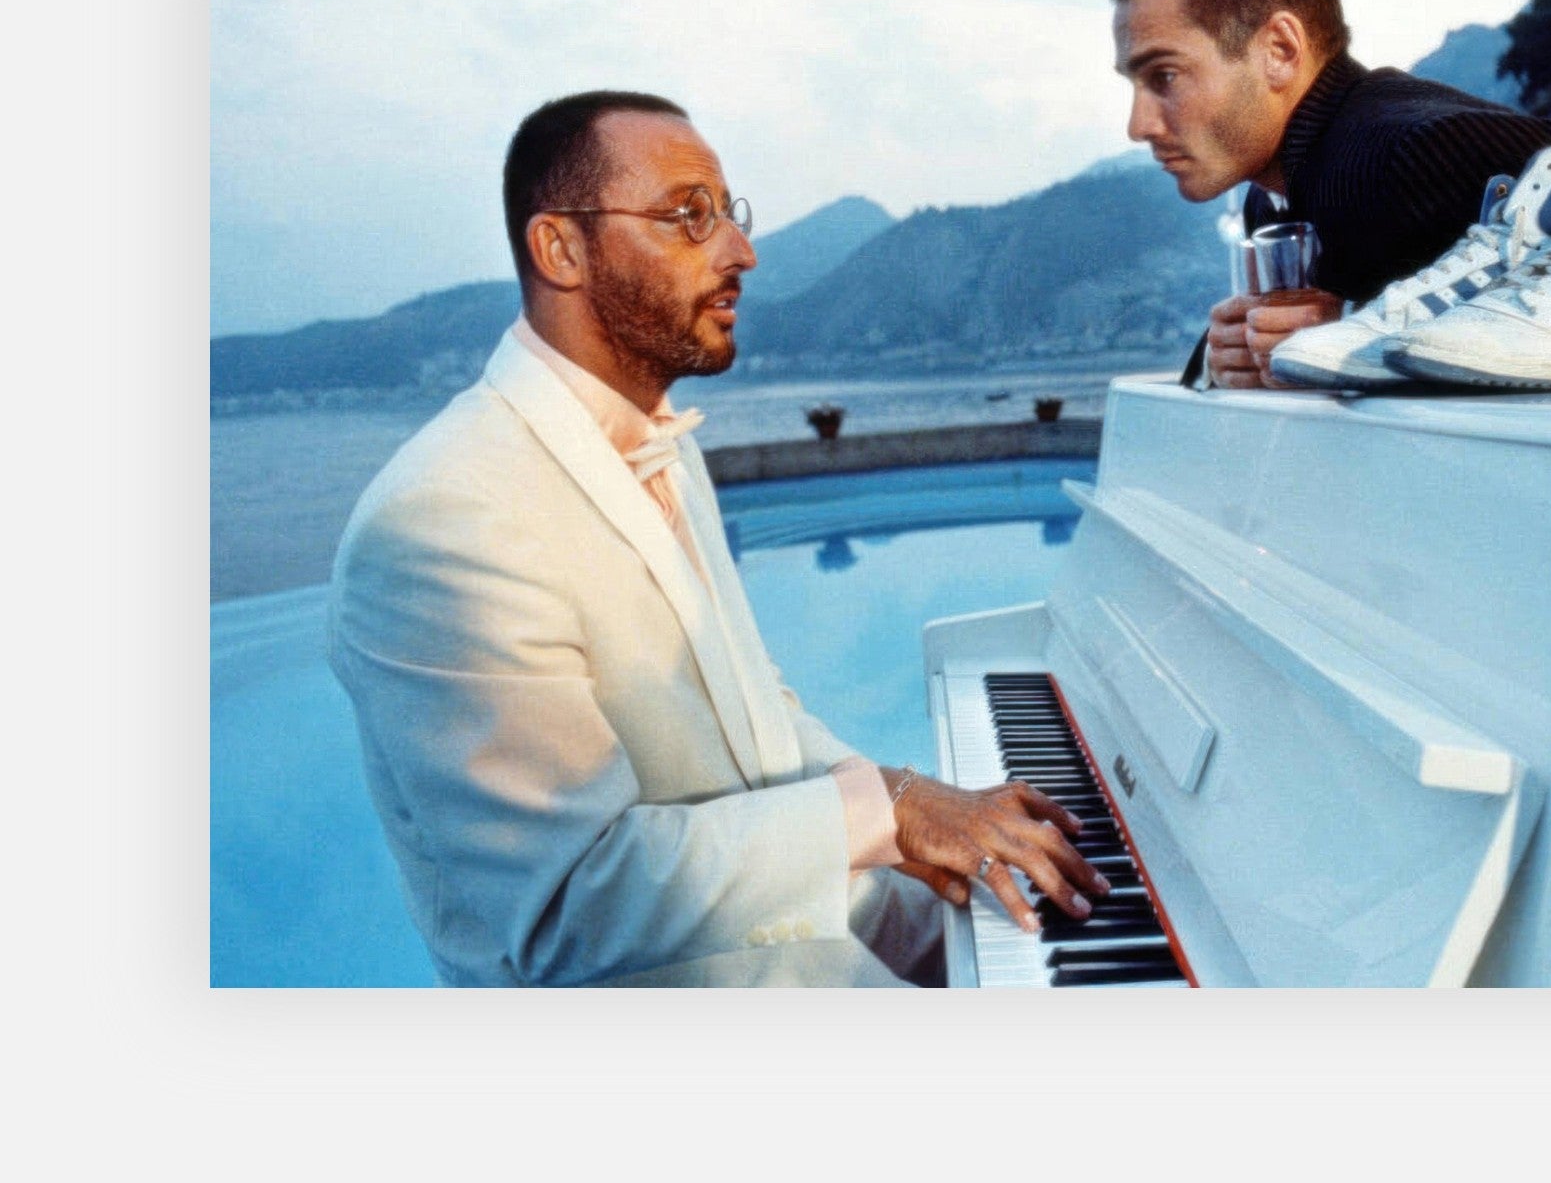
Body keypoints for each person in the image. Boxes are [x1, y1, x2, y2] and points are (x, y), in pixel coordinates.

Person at [328, 91, 1107, 986]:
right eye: (689, 216)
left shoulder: (665, 448)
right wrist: (884, 809)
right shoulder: (441, 523)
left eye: (728, 215)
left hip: (797, 931)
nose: (742, 251)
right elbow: (569, 906)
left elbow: (756, 717)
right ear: (561, 250)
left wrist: (921, 819)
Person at [1111, 0, 1551, 388]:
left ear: (1279, 51)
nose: (1139, 125)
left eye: (1166, 76)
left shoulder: (1410, 156)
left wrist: (1354, 335)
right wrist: (1225, 360)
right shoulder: (1269, 198)